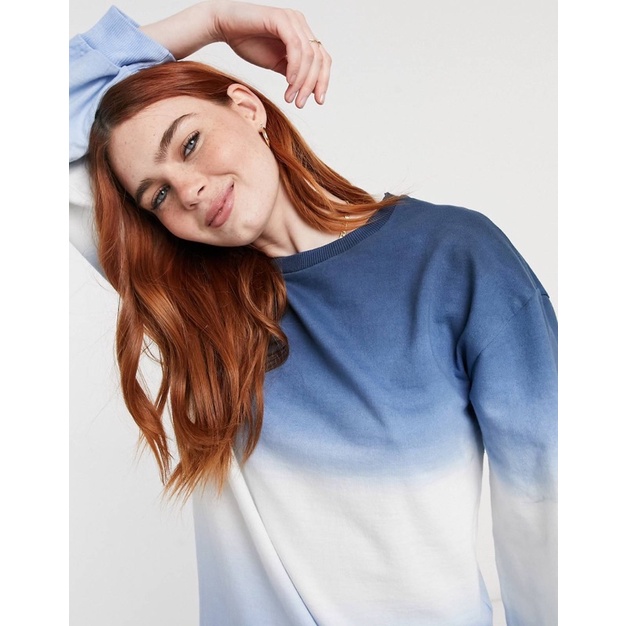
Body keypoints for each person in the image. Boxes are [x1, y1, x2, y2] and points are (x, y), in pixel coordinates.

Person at [70, 3, 557, 625]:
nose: (187, 190)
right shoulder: (186, 301)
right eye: (158, 193)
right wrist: (212, 22)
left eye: (190, 142)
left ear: (247, 108)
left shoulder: (452, 257)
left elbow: (549, 501)